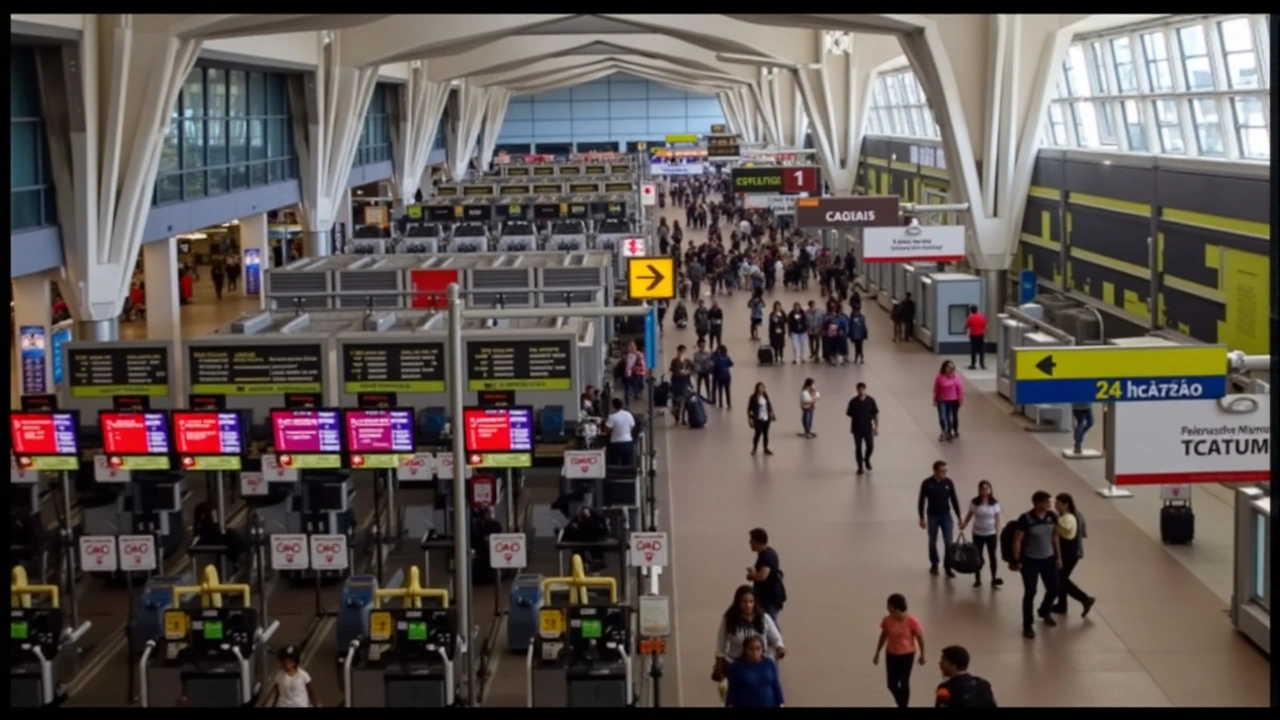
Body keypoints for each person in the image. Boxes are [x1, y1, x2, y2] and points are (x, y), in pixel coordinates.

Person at [713, 586, 786, 699]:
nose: (748, 605)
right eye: (744, 602)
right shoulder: (729, 619)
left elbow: (776, 637)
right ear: (738, 602)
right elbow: (720, 643)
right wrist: (719, 665)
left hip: (760, 663)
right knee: (739, 696)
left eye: (751, 602)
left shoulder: (764, 618)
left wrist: (780, 648)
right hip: (737, 663)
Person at [1010, 491, 1062, 639]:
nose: (1050, 504)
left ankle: (1044, 610)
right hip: (1030, 561)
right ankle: (1028, 625)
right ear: (1037, 503)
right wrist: (1017, 560)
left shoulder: (1052, 517)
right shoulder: (1025, 519)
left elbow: (1055, 537)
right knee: (1030, 592)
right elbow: (1017, 541)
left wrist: (1058, 557)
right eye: (1046, 502)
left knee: (1054, 589)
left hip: (1049, 559)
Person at [873, 593, 926, 708]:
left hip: (907, 655)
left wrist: (922, 655)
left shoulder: (912, 621)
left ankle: (903, 705)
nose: (889, 612)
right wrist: (877, 652)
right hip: (891, 654)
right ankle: (900, 701)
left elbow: (920, 639)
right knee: (891, 684)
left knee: (904, 682)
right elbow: (883, 636)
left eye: (891, 609)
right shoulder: (887, 620)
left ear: (898, 609)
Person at [1052, 492, 1096, 617]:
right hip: (1073, 551)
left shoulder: (1066, 518)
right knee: (1062, 578)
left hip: (1070, 552)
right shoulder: (1077, 515)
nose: (1055, 505)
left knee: (1061, 579)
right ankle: (1062, 604)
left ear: (1066, 504)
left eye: (1058, 503)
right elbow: (1084, 533)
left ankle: (1085, 599)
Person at [917, 461, 962, 578]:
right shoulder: (927, 483)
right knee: (932, 540)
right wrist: (921, 517)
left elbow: (954, 499)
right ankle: (934, 564)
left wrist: (959, 516)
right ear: (935, 471)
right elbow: (921, 501)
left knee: (949, 542)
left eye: (945, 471)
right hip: (932, 516)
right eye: (942, 471)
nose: (944, 473)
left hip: (946, 515)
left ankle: (948, 566)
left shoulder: (948, 483)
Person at [959, 480, 1003, 588]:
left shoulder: (994, 503)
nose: (985, 490)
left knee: (992, 555)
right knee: (977, 556)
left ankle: (993, 578)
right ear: (979, 490)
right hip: (978, 533)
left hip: (991, 534)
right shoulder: (975, 502)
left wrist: (998, 529)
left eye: (987, 488)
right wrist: (964, 524)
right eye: (982, 488)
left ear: (990, 490)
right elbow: (970, 514)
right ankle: (977, 579)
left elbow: (997, 517)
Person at [724, 635, 785, 708]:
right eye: (751, 649)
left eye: (758, 649)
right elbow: (732, 689)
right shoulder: (737, 666)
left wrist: (780, 703)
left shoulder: (769, 664)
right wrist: (729, 704)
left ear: (763, 649)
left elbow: (775, 685)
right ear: (746, 650)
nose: (755, 652)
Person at [746, 528, 785, 621]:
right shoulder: (765, 554)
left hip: (769, 599)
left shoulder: (767, 556)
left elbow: (762, 576)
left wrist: (751, 576)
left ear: (757, 541)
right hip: (765, 598)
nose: (750, 543)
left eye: (752, 541)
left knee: (770, 624)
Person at [846, 382, 879, 475]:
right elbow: (851, 415)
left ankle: (867, 459)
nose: (860, 391)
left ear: (865, 389)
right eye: (859, 389)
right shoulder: (853, 402)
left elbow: (875, 415)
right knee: (858, 447)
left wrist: (876, 427)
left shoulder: (870, 401)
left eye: (862, 389)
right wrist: (851, 427)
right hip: (857, 429)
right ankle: (860, 466)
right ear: (857, 390)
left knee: (870, 446)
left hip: (868, 428)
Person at [933, 361, 963, 442]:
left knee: (950, 417)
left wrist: (960, 399)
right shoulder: (939, 377)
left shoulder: (956, 377)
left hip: (953, 400)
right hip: (942, 399)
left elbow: (959, 389)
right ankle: (943, 430)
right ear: (945, 368)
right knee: (942, 417)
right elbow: (936, 389)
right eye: (949, 368)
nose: (951, 370)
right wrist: (935, 399)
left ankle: (949, 431)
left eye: (953, 368)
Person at [604, 398, 637, 468]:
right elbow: (632, 425)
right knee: (628, 464)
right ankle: (627, 476)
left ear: (613, 406)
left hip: (616, 443)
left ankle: (616, 477)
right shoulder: (628, 414)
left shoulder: (612, 417)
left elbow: (606, 429)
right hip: (628, 442)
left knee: (615, 464)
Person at [746, 382, 776, 456]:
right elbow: (749, 409)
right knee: (757, 434)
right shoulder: (753, 397)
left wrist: (772, 413)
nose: (762, 389)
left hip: (766, 418)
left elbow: (769, 405)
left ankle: (765, 448)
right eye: (760, 387)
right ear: (757, 388)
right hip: (758, 419)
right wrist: (750, 419)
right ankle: (754, 448)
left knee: (766, 434)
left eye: (763, 387)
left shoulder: (765, 396)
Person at [668, 345, 694, 425]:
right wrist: (683, 373)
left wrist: (688, 372)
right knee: (676, 401)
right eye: (680, 352)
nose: (681, 354)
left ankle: (683, 418)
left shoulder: (687, 361)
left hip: (685, 383)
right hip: (676, 384)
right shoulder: (675, 361)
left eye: (683, 352)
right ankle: (676, 416)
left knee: (685, 401)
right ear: (678, 352)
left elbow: (694, 367)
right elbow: (675, 372)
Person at [964, 304, 987, 370]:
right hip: (981, 335)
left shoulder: (970, 318)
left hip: (973, 335)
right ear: (977, 309)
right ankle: (982, 364)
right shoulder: (982, 317)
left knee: (973, 350)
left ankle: (973, 364)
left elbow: (966, 326)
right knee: (981, 350)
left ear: (971, 310)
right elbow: (985, 326)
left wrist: (965, 331)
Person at [713, 345, 734, 410]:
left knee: (720, 390)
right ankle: (729, 404)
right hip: (727, 376)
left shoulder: (717, 358)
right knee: (727, 390)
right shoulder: (727, 357)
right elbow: (731, 364)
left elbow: (715, 366)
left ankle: (720, 404)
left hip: (719, 376)